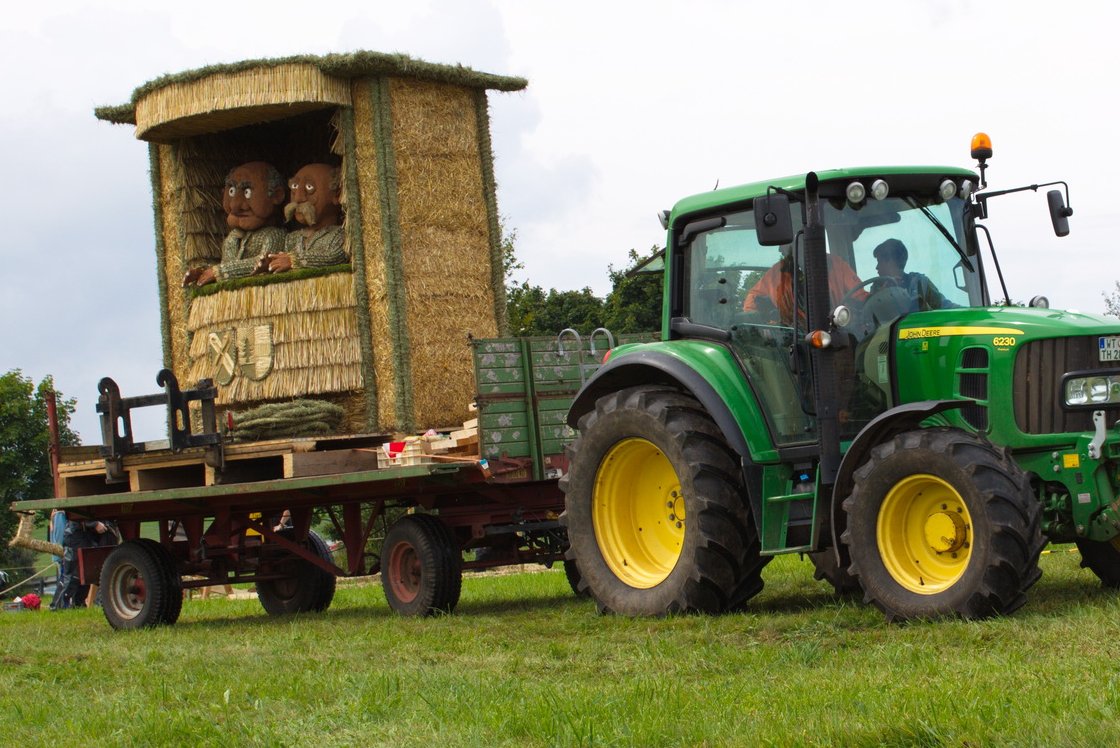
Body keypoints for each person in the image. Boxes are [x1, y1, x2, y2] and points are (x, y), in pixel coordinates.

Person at [183, 161, 287, 286]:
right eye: (231, 191)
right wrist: (203, 272)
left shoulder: (274, 236)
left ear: (277, 196)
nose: (235, 205)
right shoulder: (233, 238)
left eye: (247, 192)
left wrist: (219, 272)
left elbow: (263, 263)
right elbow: (227, 264)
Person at [742, 245, 867, 324]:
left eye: (783, 244)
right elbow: (753, 301)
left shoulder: (835, 264)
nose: (779, 249)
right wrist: (764, 324)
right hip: (793, 336)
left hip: (837, 327)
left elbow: (860, 296)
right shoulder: (778, 272)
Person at [260, 163, 347, 274]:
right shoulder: (291, 238)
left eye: (309, 188)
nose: (298, 198)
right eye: (294, 187)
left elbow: (334, 256)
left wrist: (293, 261)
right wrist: (270, 264)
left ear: (337, 195)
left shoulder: (340, 234)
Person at [871, 239, 957, 311]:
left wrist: (969, 313)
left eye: (879, 262)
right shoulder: (877, 288)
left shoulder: (919, 283)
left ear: (890, 261)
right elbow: (867, 319)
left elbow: (945, 307)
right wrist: (881, 297)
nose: (876, 267)